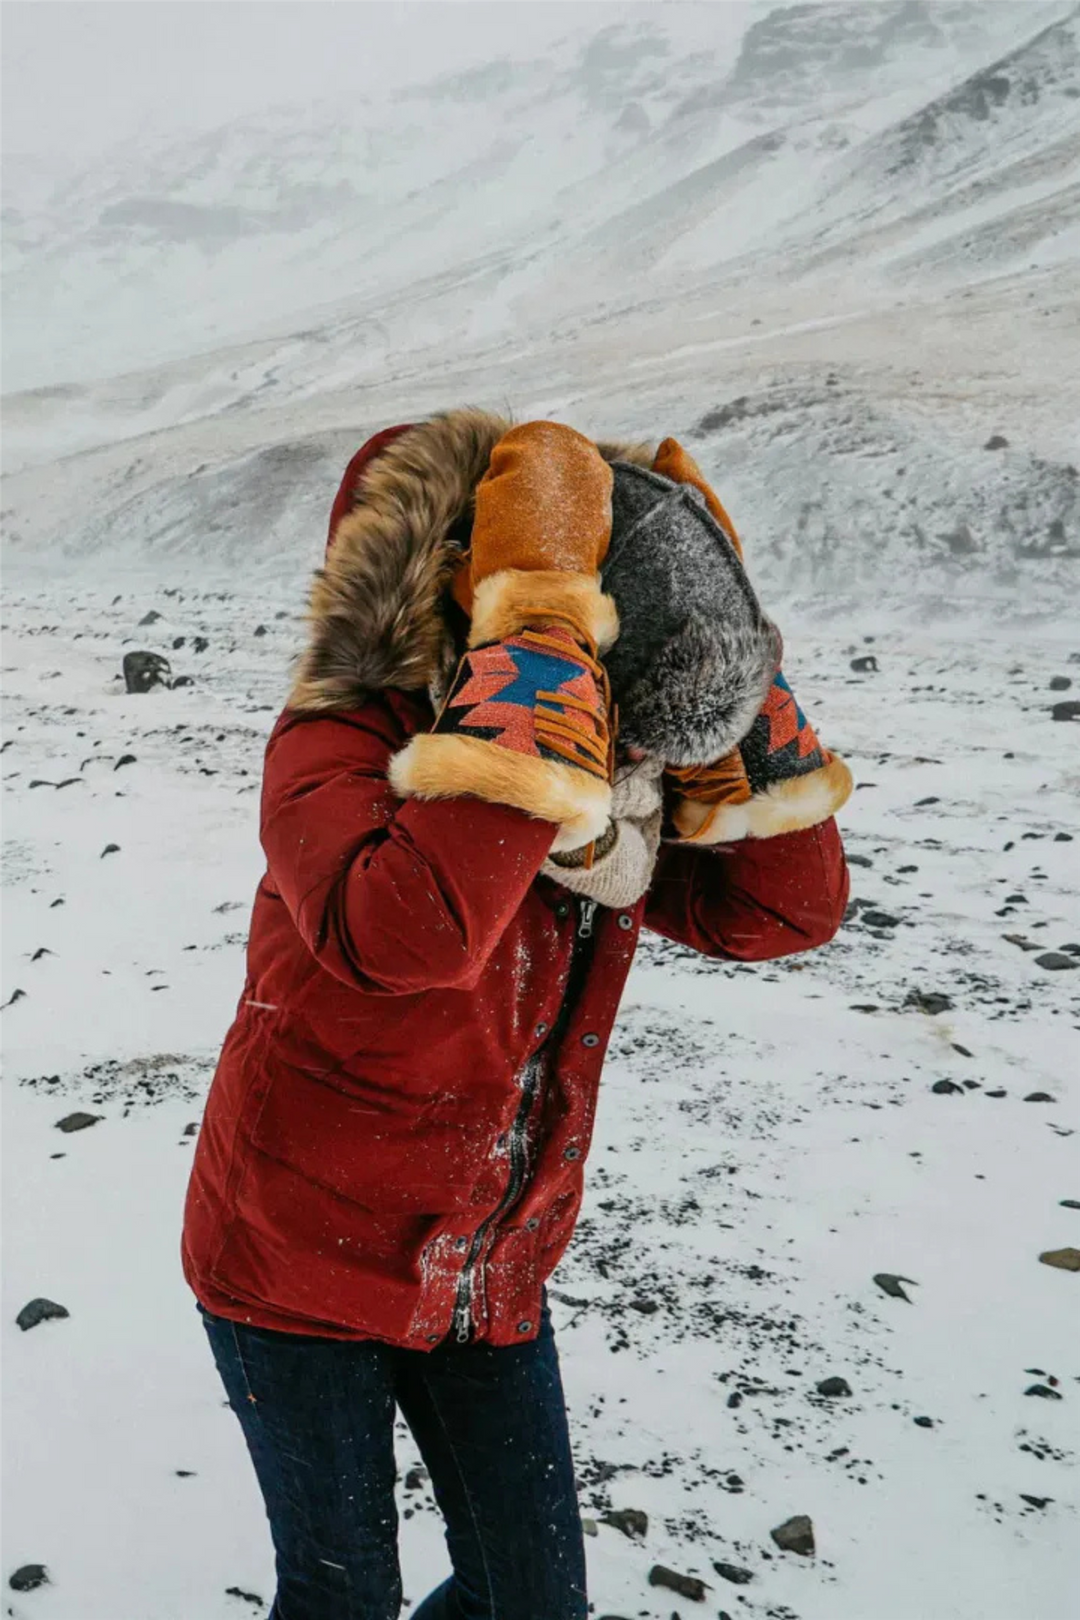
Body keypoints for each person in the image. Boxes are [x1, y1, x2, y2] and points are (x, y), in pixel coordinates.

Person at [182, 412, 851, 1620]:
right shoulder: (342, 738)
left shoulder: (613, 793)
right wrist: (536, 672)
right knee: (340, 1601)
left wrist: (729, 672)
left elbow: (783, 911)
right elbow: (408, 935)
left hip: (485, 1270)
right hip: (293, 1264)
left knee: (529, 1600)